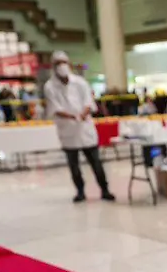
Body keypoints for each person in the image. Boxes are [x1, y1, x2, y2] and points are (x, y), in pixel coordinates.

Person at [44, 51, 114, 203]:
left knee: (96, 163)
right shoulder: (50, 86)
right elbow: (55, 108)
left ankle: (105, 189)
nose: (61, 67)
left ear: (69, 64)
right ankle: (80, 191)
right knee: (74, 165)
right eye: (58, 64)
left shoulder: (80, 82)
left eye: (64, 63)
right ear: (53, 67)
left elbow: (88, 102)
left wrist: (82, 114)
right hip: (67, 130)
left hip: (85, 128)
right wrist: (72, 117)